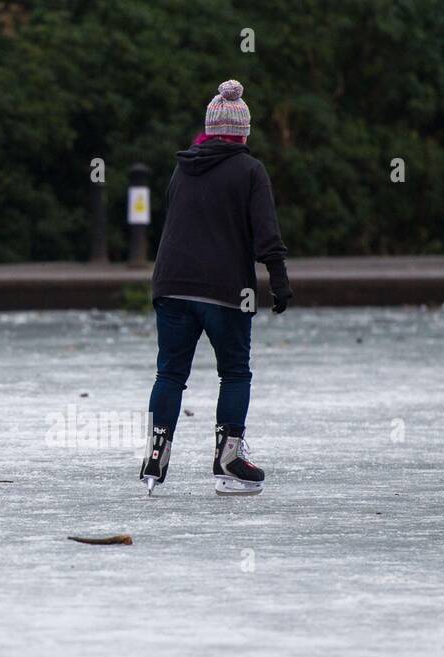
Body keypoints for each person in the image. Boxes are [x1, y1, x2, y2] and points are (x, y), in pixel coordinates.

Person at [140, 80, 290, 496]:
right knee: (235, 372)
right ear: (243, 133)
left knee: (169, 373)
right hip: (225, 291)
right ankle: (229, 460)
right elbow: (266, 232)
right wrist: (278, 279)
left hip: (171, 285)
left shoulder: (183, 167)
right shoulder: (250, 171)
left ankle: (156, 454)